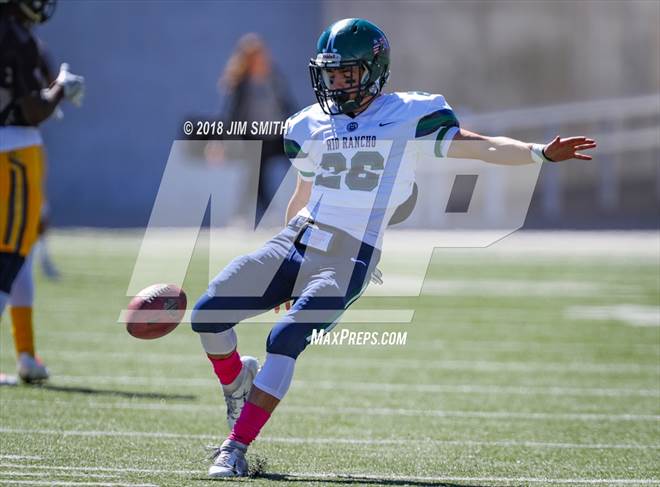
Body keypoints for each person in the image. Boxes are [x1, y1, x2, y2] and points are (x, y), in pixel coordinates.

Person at [191, 18, 596, 477]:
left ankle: (235, 447)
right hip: (298, 239)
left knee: (284, 339)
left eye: (347, 73)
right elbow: (302, 193)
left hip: (349, 256)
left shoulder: (408, 114)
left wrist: (538, 152)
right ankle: (238, 383)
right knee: (207, 314)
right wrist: (289, 264)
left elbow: (480, 147)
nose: (336, 84)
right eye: (330, 74)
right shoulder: (308, 124)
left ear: (374, 70)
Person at [0, 0, 84, 384]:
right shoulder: (13, 35)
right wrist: (61, 89)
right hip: (13, 151)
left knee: (20, 257)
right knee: (10, 255)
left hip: (11, 148)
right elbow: (33, 108)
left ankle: (26, 354)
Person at [210, 33, 297, 225]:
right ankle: (258, 214)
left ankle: (310, 205)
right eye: (255, 57)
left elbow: (287, 105)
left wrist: (298, 127)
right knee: (255, 177)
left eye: (262, 55)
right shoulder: (240, 83)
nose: (261, 59)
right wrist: (219, 141)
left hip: (278, 135)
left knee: (301, 163)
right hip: (254, 137)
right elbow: (229, 113)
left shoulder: (274, 78)